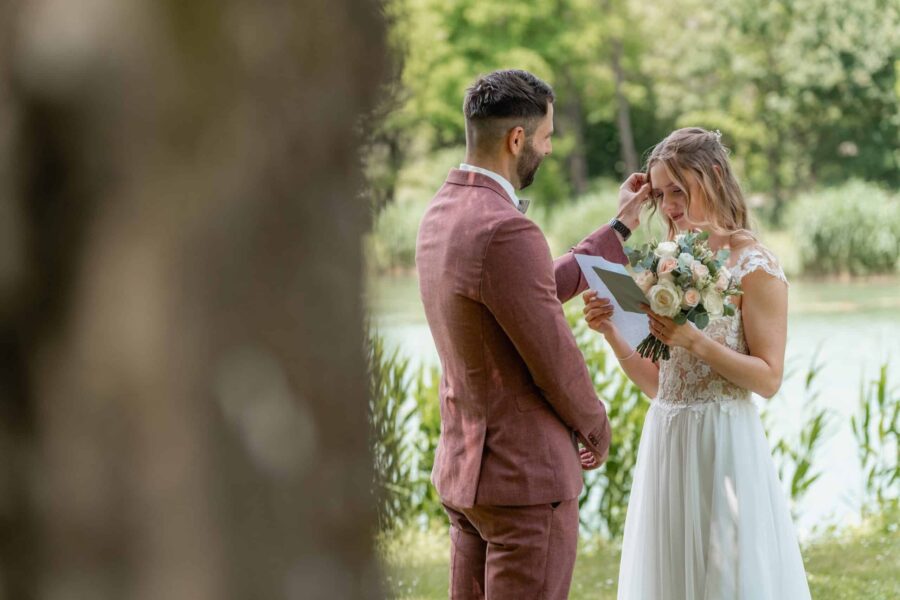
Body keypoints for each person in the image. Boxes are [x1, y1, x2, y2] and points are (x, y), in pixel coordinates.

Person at [415, 69, 649, 599]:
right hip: (524, 478)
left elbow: (526, 291)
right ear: (516, 139)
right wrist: (595, 423)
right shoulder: (505, 227)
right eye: (545, 138)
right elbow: (553, 356)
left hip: (467, 473)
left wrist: (618, 230)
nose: (546, 150)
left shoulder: (442, 212)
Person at [583, 127, 812, 599]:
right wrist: (611, 332)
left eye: (678, 191)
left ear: (711, 177)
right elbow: (657, 383)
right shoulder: (664, 267)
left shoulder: (755, 267)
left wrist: (696, 342)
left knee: (726, 578)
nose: (668, 206)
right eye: (661, 194)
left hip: (722, 439)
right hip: (667, 436)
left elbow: (769, 379)